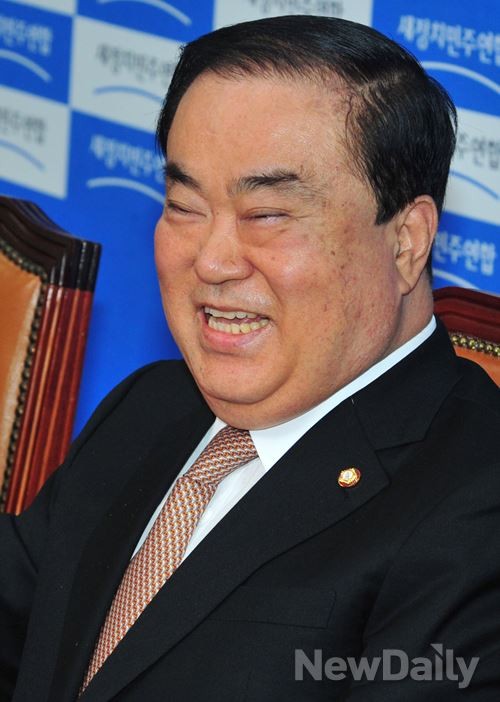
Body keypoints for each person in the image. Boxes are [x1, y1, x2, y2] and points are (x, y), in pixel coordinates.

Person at [1, 14, 499, 702]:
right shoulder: (151, 406)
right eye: (184, 205)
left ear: (407, 240)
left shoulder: (475, 511)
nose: (211, 261)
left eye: (266, 216)